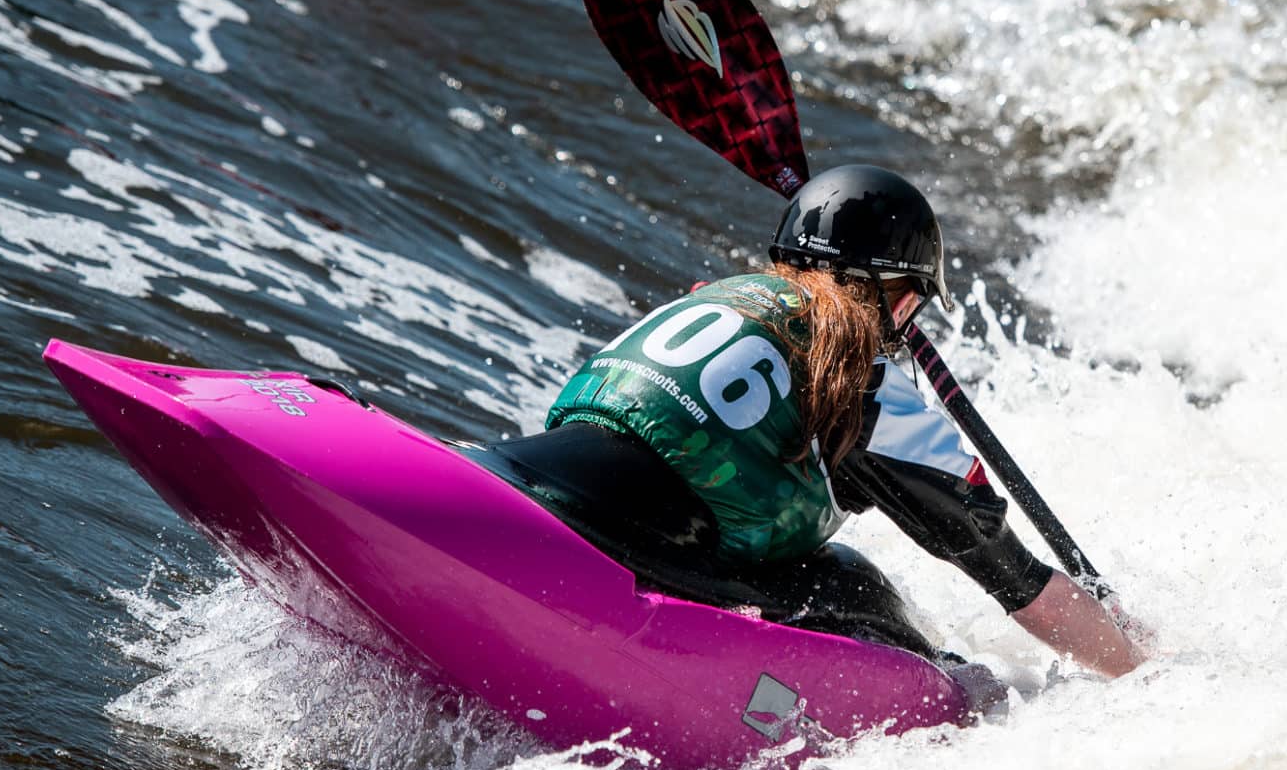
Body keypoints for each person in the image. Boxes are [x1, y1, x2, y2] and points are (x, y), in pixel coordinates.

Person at [473, 164, 1142, 678]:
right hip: (615, 546)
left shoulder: (716, 297)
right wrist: (1144, 672)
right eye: (911, 304)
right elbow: (1020, 584)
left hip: (503, 474)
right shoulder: (865, 390)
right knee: (859, 590)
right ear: (892, 297)